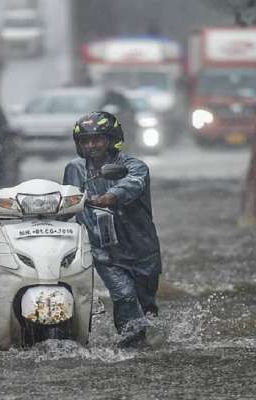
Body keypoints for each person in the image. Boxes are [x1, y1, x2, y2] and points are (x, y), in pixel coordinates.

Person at [63, 111, 162, 348]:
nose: (91, 145)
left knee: (145, 306)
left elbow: (131, 185)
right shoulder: (74, 169)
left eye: (97, 139)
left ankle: (145, 342)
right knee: (124, 295)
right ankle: (130, 347)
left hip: (141, 250)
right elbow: (65, 202)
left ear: (111, 139)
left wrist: (109, 197)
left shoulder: (135, 167)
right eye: (85, 141)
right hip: (104, 251)